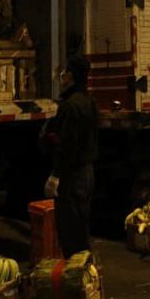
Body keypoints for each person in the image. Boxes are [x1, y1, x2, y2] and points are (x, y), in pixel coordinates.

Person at [41, 56, 99, 256]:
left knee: (70, 231)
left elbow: (67, 144)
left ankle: (77, 274)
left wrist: (56, 175)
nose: (62, 76)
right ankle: (85, 272)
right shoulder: (89, 102)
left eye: (65, 72)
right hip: (86, 172)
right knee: (81, 227)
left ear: (72, 76)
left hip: (72, 175)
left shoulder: (70, 106)